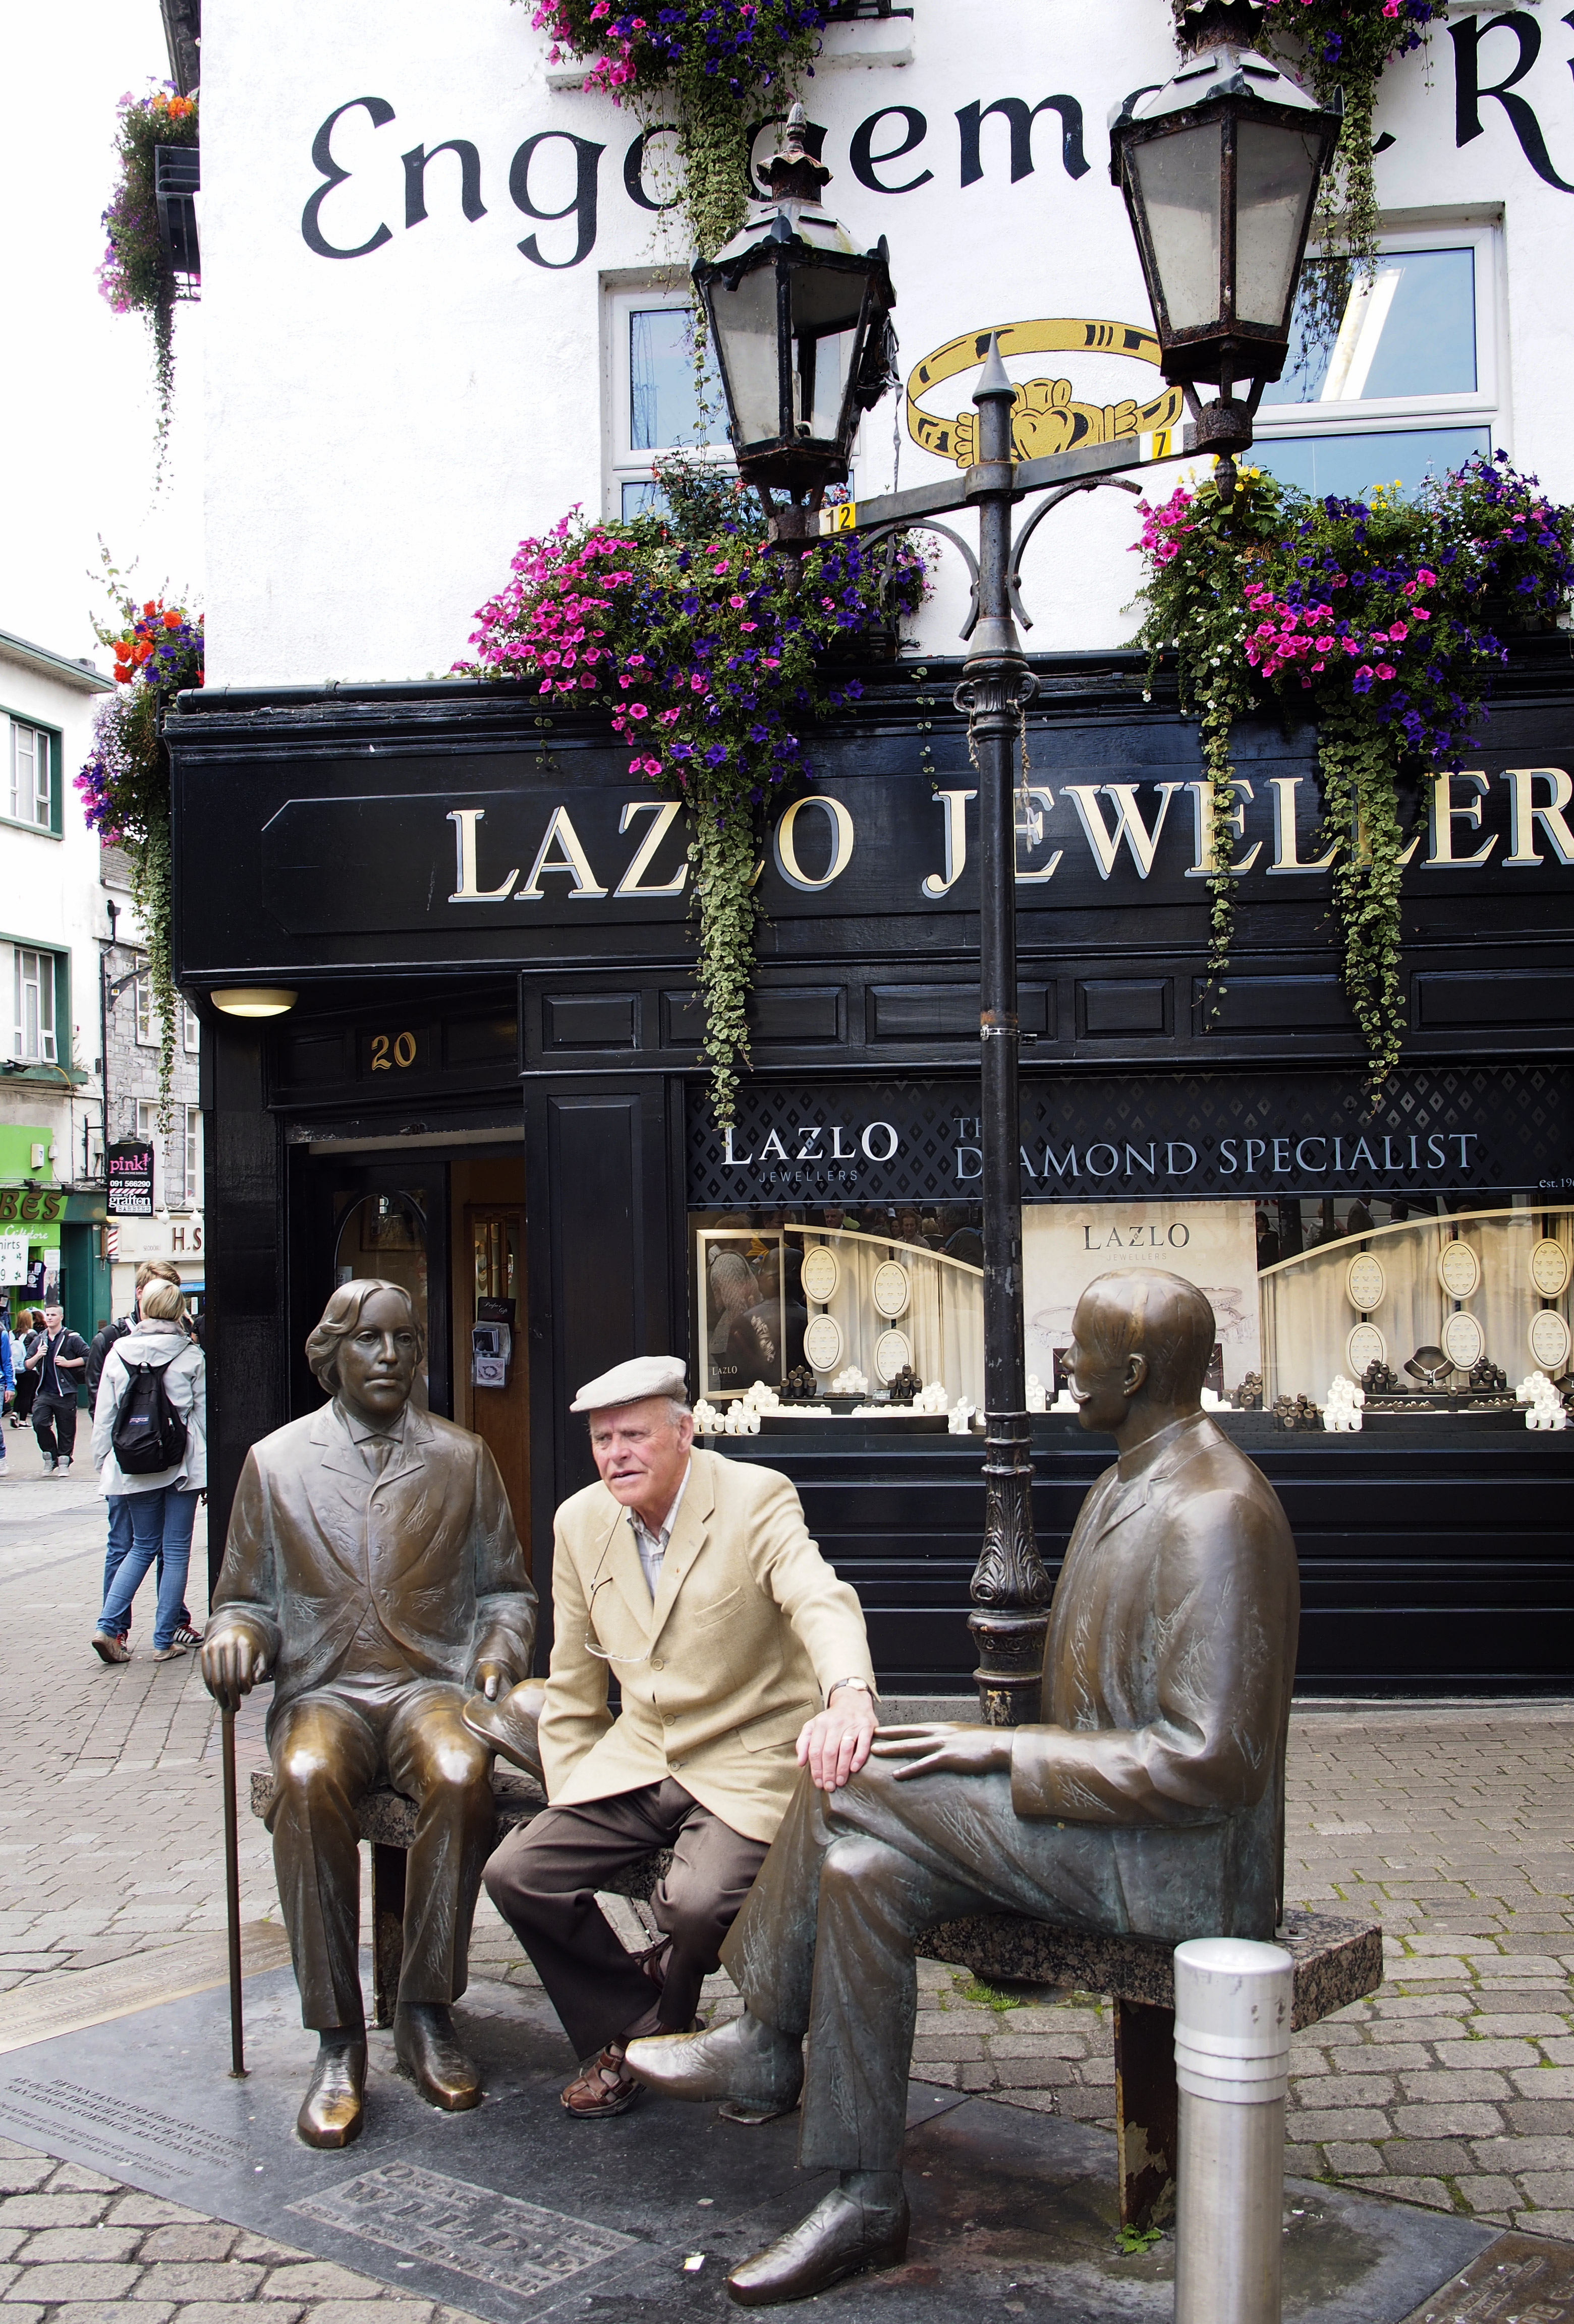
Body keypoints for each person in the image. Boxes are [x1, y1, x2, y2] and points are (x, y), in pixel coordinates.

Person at [626, 1271, 1300, 2307]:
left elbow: (1212, 1765)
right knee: (860, 1869)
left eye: (1078, 1350)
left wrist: (999, 1755)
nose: (1063, 1369)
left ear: (1129, 1371)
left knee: (861, 1766)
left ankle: (767, 2038)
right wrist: (998, 1752)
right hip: (1105, 1830)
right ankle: (865, 2197)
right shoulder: (1133, 1479)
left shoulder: (1218, 1513)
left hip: (1180, 1869)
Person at [476, 1355, 878, 2123]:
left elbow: (820, 1598)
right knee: (517, 1871)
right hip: (642, 1752)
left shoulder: (754, 1497)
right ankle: (645, 2028)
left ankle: (646, 2037)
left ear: (685, 1433)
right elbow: (571, 1688)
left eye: (633, 1435)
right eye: (601, 1441)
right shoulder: (579, 1521)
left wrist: (849, 1695)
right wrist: (572, 1796)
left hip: (749, 1751)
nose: (615, 1455)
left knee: (695, 1906)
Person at [200, 1280, 536, 2149]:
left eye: (405, 1342)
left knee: (463, 1772)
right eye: (368, 1341)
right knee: (307, 1779)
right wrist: (234, 1639)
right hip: (326, 1692)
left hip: (430, 1687)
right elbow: (244, 1598)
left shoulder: (463, 1456)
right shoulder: (276, 1463)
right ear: (331, 1355)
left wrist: (499, 1655)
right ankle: (337, 2037)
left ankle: (426, 2007)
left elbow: (506, 1589)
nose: (389, 1357)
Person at [89, 1282, 206, 1665]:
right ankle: (162, 1641)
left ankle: (108, 1627)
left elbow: (105, 1415)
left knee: (141, 1546)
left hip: (134, 1465)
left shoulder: (118, 1352)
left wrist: (103, 1462)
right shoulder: (191, 1355)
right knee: (175, 1552)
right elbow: (202, 1421)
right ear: (178, 1312)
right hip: (180, 1466)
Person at [27, 1305, 89, 1472]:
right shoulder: (40, 1339)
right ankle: (50, 1456)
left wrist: (69, 1363)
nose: (49, 1318)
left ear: (61, 1317)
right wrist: (38, 1355)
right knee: (39, 1422)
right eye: (47, 1315)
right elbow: (27, 1364)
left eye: (53, 1315)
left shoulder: (72, 1337)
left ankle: (64, 1462)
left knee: (67, 1429)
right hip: (45, 1392)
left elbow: (88, 1356)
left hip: (66, 1391)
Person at [11, 1311, 43, 1426]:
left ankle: (15, 1413)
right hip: (28, 1368)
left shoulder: (11, 1333)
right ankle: (23, 1421)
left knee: (19, 1393)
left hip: (15, 1368)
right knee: (27, 1395)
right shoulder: (32, 1334)